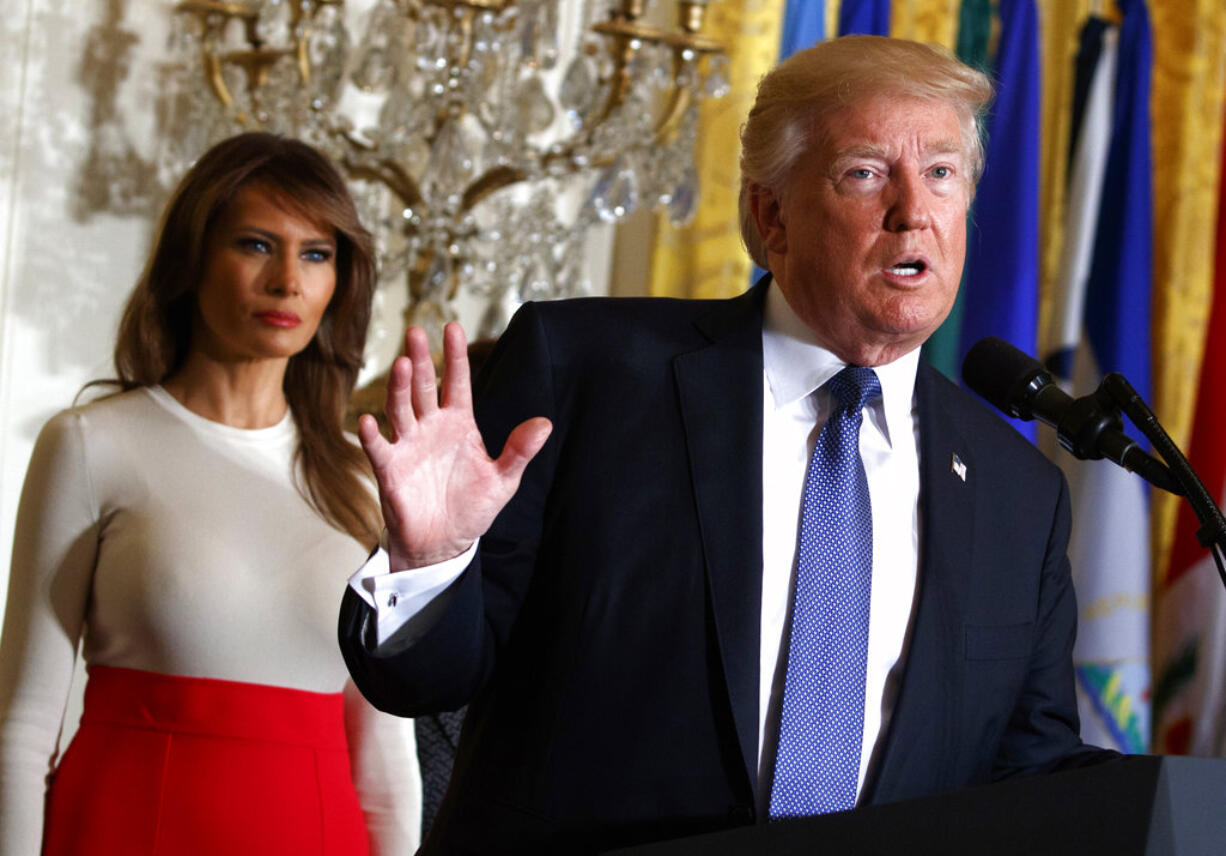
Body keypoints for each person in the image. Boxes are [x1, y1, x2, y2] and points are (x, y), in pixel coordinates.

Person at [339, 36, 1117, 854]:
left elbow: (1024, 781)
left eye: (942, 173)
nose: (913, 210)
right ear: (770, 215)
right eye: (865, 172)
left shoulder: (1015, 494)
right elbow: (421, 681)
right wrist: (431, 565)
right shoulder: (587, 374)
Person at [0, 133, 420, 854]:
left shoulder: (366, 479)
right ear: (191, 261)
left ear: (338, 283)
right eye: (257, 245)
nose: (288, 280)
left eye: (316, 254)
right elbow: (23, 728)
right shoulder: (91, 444)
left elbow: (385, 758)